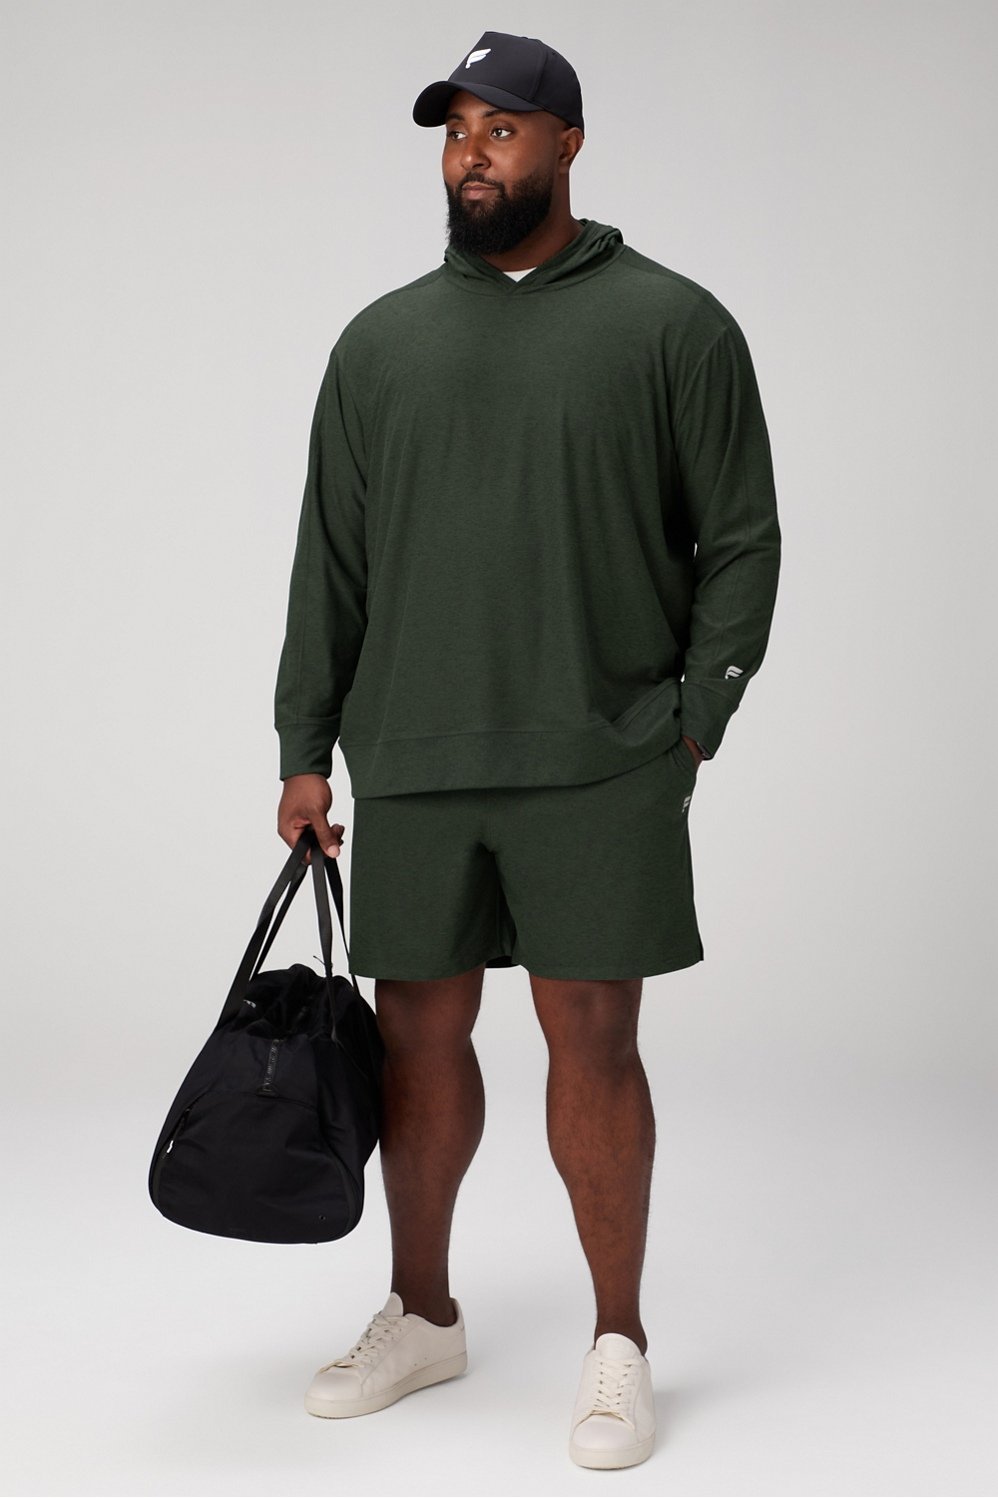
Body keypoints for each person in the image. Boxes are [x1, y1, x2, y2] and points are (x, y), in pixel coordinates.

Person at [273, 29, 781, 1471]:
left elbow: (740, 537)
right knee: (414, 1039)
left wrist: (694, 715)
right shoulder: (379, 344)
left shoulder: (673, 324)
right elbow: (329, 564)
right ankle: (423, 1312)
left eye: (500, 130)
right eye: (455, 133)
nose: (471, 156)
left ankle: (617, 1343)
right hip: (415, 751)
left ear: (567, 143)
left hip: (602, 757)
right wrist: (305, 745)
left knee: (593, 1043)